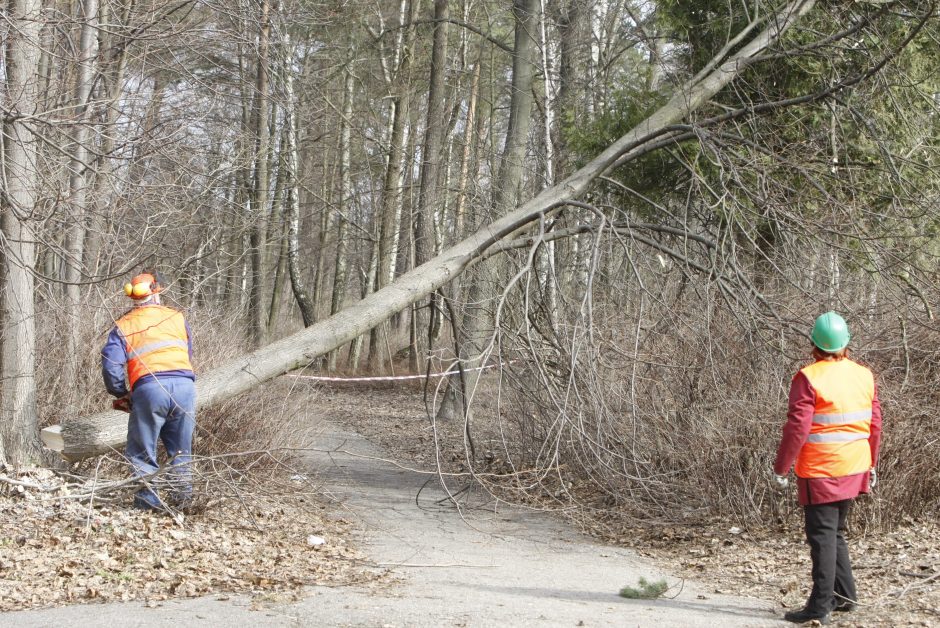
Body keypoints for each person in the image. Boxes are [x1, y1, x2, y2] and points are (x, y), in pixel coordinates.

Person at [773, 311, 882, 625]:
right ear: (846, 343)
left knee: (822, 536)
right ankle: (845, 596)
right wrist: (871, 462)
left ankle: (819, 605)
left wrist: (782, 467)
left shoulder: (808, 378)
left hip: (822, 470)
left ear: (814, 345)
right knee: (835, 533)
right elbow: (875, 424)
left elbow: (797, 428)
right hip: (855, 464)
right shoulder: (864, 374)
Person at [101, 271, 197, 511]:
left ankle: (148, 506)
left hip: (149, 389)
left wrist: (120, 392)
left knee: (142, 451)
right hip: (185, 386)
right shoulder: (176, 317)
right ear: (157, 293)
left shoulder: (124, 325)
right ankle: (183, 502)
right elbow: (188, 352)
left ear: (133, 298)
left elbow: (110, 363)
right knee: (181, 451)